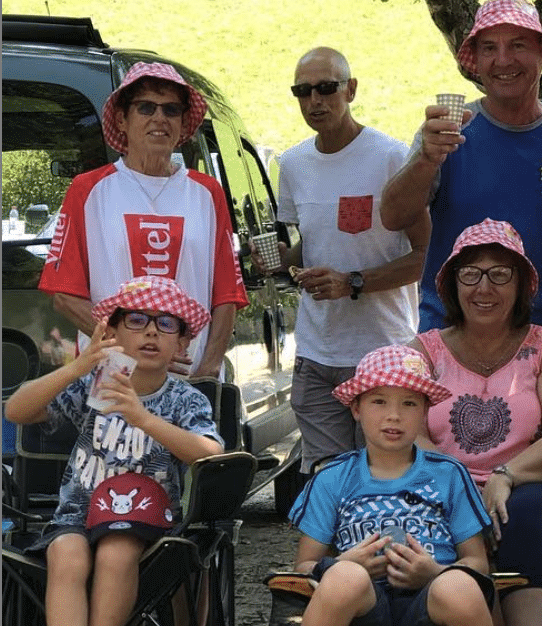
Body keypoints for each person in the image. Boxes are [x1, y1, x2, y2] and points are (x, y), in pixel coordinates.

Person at [379, 0, 542, 365]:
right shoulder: (448, 133)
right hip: (451, 340)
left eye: (517, 45)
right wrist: (426, 157)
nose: (503, 60)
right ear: (476, 62)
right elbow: (392, 216)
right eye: (489, 48)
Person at [5, 276, 224, 626]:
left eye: (166, 323)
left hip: (146, 523)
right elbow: (16, 411)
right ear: (113, 334)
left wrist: (143, 418)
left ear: (182, 343)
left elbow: (209, 452)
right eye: (137, 320)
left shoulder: (185, 400)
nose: (151, 331)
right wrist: (78, 367)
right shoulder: (96, 387)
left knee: (117, 550)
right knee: (66, 554)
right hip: (77, 515)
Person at [256, 47, 428, 480]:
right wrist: (273, 261)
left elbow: (428, 257)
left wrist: (353, 281)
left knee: (383, 477)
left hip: (384, 350)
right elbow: (306, 247)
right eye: (302, 91)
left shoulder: (391, 157)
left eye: (326, 88)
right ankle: (331, 552)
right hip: (316, 353)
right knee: (327, 481)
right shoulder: (292, 164)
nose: (315, 100)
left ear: (351, 90)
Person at [407, 219, 542, 626]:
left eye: (500, 274)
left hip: (535, 486)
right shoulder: (422, 352)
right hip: (442, 487)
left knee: (528, 513)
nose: (483, 288)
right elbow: (409, 437)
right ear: (452, 284)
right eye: (470, 274)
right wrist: (462, 491)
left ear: (522, 284)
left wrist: (505, 476)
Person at [38, 62, 247, 377]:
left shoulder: (207, 193)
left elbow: (227, 294)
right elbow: (65, 296)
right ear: (122, 119)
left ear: (182, 123)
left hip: (189, 384)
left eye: (171, 110)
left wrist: (210, 367)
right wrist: (130, 351)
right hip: (109, 379)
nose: (159, 118)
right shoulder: (88, 189)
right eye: (146, 107)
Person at [288, 345, 494, 626]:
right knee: (344, 577)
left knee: (457, 585)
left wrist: (434, 572)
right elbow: (303, 566)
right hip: (361, 606)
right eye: (379, 402)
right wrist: (342, 564)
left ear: (425, 411)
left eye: (409, 403)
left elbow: (477, 563)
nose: (394, 415)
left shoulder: (449, 474)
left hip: (431, 602)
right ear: (356, 408)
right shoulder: (332, 477)